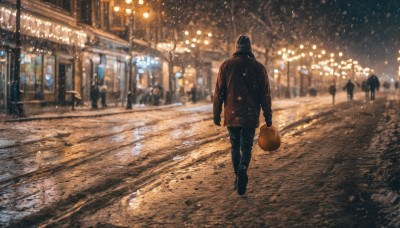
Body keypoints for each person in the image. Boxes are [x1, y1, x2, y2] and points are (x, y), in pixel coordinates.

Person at [213, 35, 272, 195]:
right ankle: (243, 170)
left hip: (231, 115)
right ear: (250, 49)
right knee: (246, 147)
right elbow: (265, 95)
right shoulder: (258, 68)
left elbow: (219, 91)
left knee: (235, 146)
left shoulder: (226, 66)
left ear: (236, 47)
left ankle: (238, 175)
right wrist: (268, 117)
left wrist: (217, 113)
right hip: (250, 115)